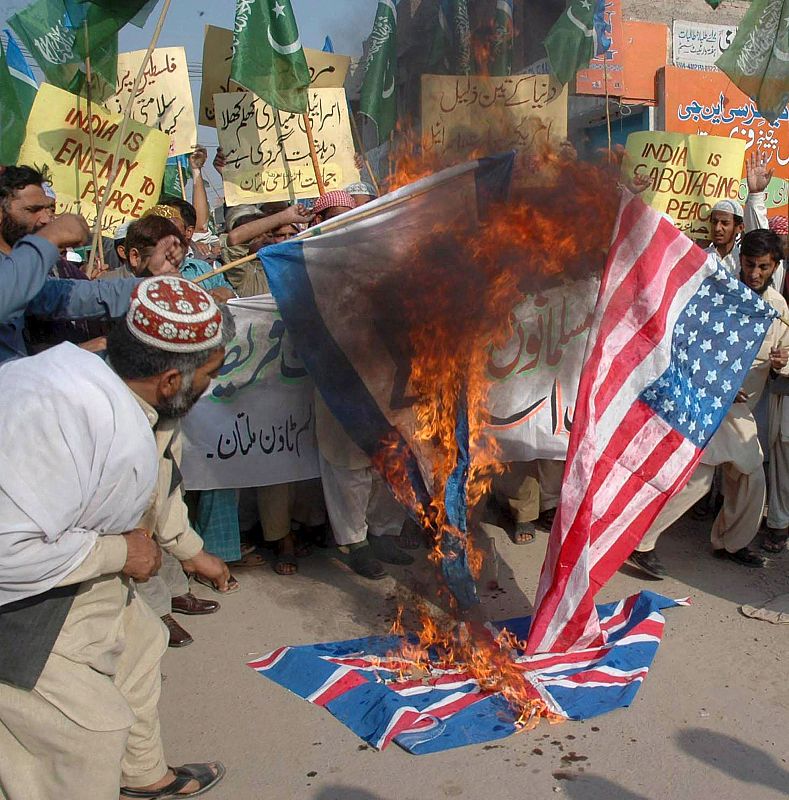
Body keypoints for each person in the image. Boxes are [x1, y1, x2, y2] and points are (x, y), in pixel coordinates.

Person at [0, 276, 232, 799]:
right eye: (210, 376)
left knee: (140, 643)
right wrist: (120, 551)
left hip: (68, 567)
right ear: (170, 380)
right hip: (22, 605)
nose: (211, 388)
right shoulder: (71, 417)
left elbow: (157, 485)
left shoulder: (114, 385)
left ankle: (144, 776)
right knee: (88, 736)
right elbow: (8, 553)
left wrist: (187, 551)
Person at [629, 230, 789, 577]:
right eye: (750, 264)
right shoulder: (721, 294)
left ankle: (728, 542)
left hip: (740, 409)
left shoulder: (778, 307)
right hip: (707, 401)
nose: (755, 273)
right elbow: (691, 345)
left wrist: (782, 362)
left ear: (776, 266)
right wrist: (721, 382)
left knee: (743, 476)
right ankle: (639, 541)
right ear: (741, 261)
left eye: (763, 267)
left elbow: (782, 357)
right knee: (704, 480)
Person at [0, 165, 139, 363]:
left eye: (49, 209)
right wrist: (50, 237)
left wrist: (154, 288)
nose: (46, 219)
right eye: (33, 210)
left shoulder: (27, 273)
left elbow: (78, 295)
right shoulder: (17, 274)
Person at [316, 395, 412, 579]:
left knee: (392, 466)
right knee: (350, 472)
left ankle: (382, 534)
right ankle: (357, 544)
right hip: (347, 394)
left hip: (388, 391)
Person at [705, 151, 771, 274]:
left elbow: (760, 239)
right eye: (714, 222)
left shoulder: (747, 261)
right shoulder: (701, 259)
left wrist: (756, 194)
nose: (718, 228)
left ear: (739, 227)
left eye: (725, 223)